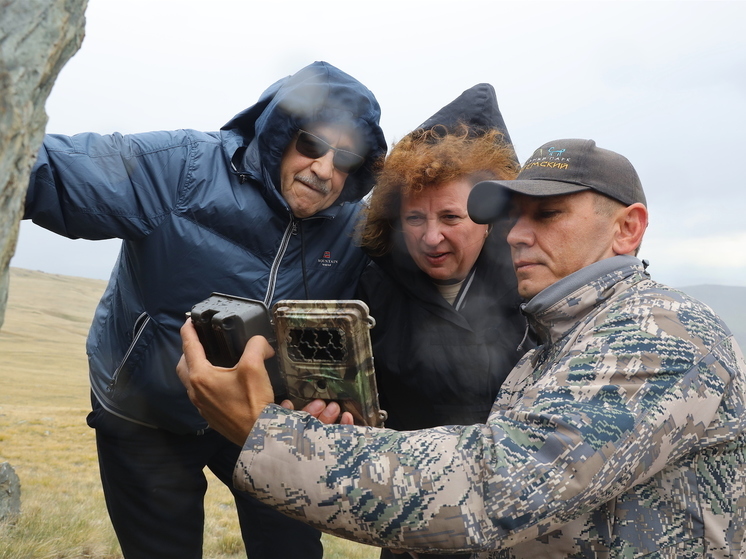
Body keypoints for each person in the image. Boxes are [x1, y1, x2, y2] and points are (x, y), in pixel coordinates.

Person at [177, 138, 746, 557]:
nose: (519, 234)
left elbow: (498, 486)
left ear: (628, 229)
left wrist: (268, 435)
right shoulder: (552, 349)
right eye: (515, 218)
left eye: (548, 215)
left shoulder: (662, 334)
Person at [23, 61, 387, 559]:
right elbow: (53, 172)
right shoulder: (184, 168)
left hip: (262, 417)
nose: (324, 168)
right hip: (147, 413)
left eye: (345, 157)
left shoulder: (355, 229)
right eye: (311, 143)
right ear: (279, 133)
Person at [358, 83, 533, 559]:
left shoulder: (533, 283)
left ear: (489, 216)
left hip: (525, 525)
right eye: (415, 218)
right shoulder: (372, 288)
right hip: (415, 523)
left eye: (451, 217)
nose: (431, 238)